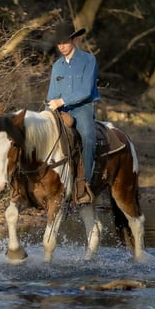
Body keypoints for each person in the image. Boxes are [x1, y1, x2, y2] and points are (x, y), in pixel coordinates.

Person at [45, 20, 99, 205]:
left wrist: (63, 100)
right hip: (62, 110)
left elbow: (86, 90)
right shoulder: (57, 66)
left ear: (74, 40)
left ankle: (86, 183)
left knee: (88, 137)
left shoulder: (89, 60)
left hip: (83, 108)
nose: (62, 46)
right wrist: (46, 113)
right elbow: (52, 95)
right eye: (59, 43)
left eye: (65, 42)